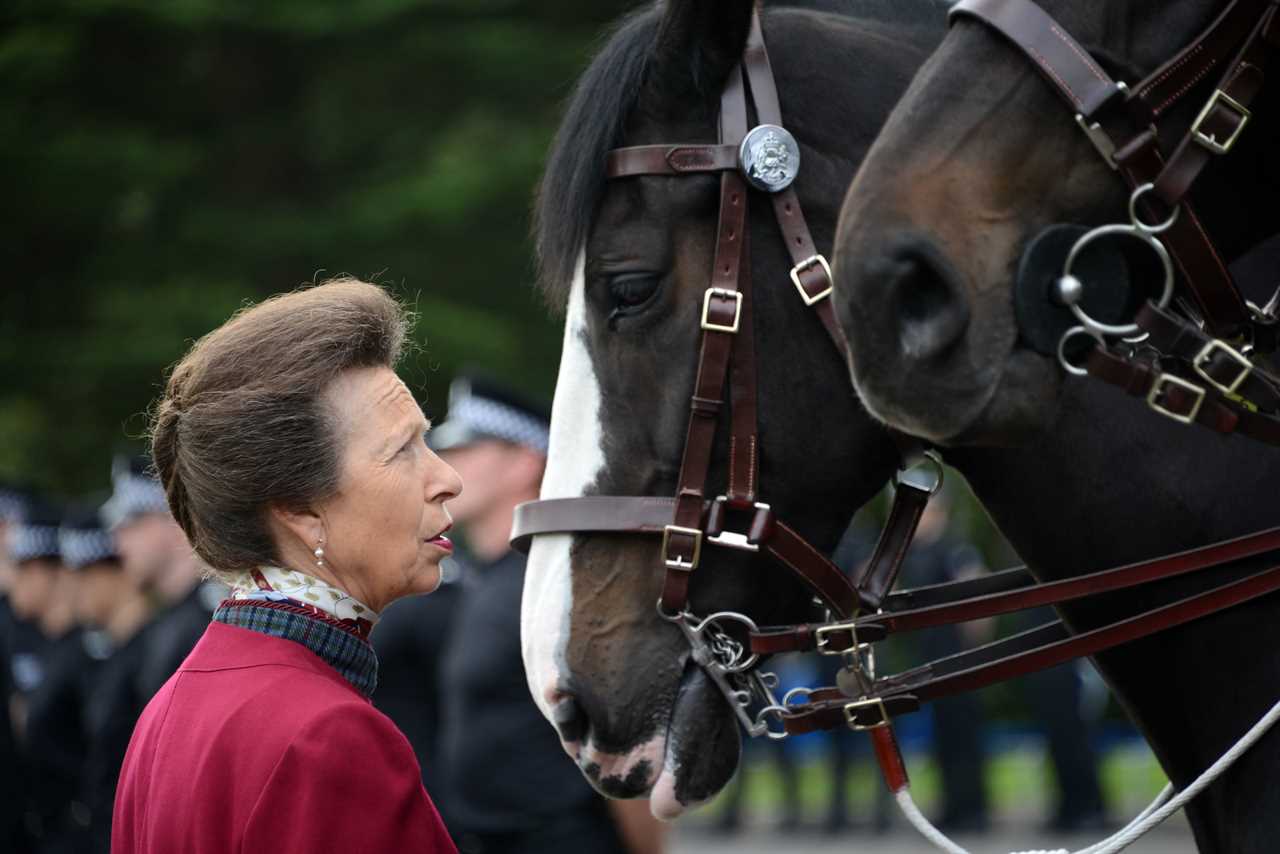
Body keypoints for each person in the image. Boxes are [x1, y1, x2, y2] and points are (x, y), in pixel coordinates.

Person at [112, 279, 459, 852]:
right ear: (300, 512)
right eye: (403, 450)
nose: (448, 479)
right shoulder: (328, 737)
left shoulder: (165, 713)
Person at [431, 375, 663, 854]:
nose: (446, 467)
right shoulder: (485, 577)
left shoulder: (561, 584)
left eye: (468, 449)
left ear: (525, 460)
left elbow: (622, 741)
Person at [63, 502, 151, 853]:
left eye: (82, 575)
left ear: (113, 572)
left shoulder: (149, 654)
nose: (72, 590)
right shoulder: (106, 653)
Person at [102, 455, 223, 700]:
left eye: (132, 523)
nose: (119, 544)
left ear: (174, 518)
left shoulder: (212, 619)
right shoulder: (171, 620)